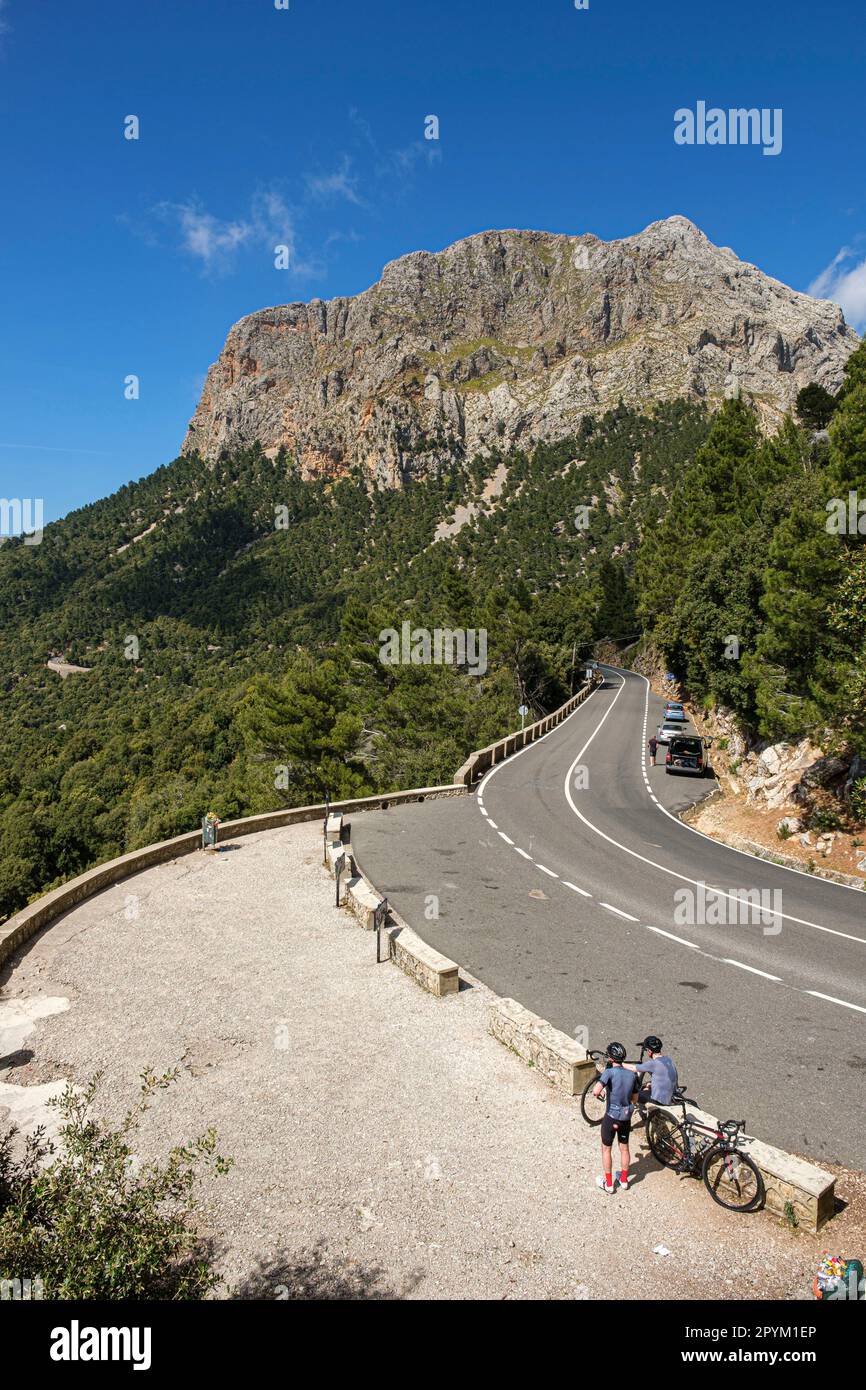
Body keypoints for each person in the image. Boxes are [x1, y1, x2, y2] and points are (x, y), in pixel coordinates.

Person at [593, 1042, 638, 1194]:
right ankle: (624, 1180)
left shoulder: (609, 1072)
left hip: (611, 1117)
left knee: (606, 1149)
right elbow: (635, 1098)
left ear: (611, 1058)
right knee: (624, 1148)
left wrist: (602, 1093)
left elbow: (595, 1091)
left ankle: (609, 1184)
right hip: (625, 1117)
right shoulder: (632, 1075)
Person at [625, 1034, 678, 1109]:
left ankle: (629, 1110)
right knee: (648, 1086)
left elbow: (633, 1068)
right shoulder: (668, 1059)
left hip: (659, 1101)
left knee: (631, 1093)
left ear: (649, 1051)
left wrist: (619, 1063)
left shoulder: (653, 1064)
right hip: (671, 1097)